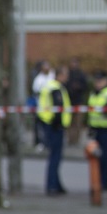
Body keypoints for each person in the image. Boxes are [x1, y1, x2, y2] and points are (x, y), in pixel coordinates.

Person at [38, 65, 71, 195]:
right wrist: (58, 124)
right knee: (55, 156)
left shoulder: (51, 86)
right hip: (54, 126)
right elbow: (58, 108)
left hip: (49, 124)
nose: (67, 77)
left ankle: (56, 184)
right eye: (66, 74)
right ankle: (52, 185)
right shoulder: (55, 88)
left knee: (55, 156)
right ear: (60, 75)